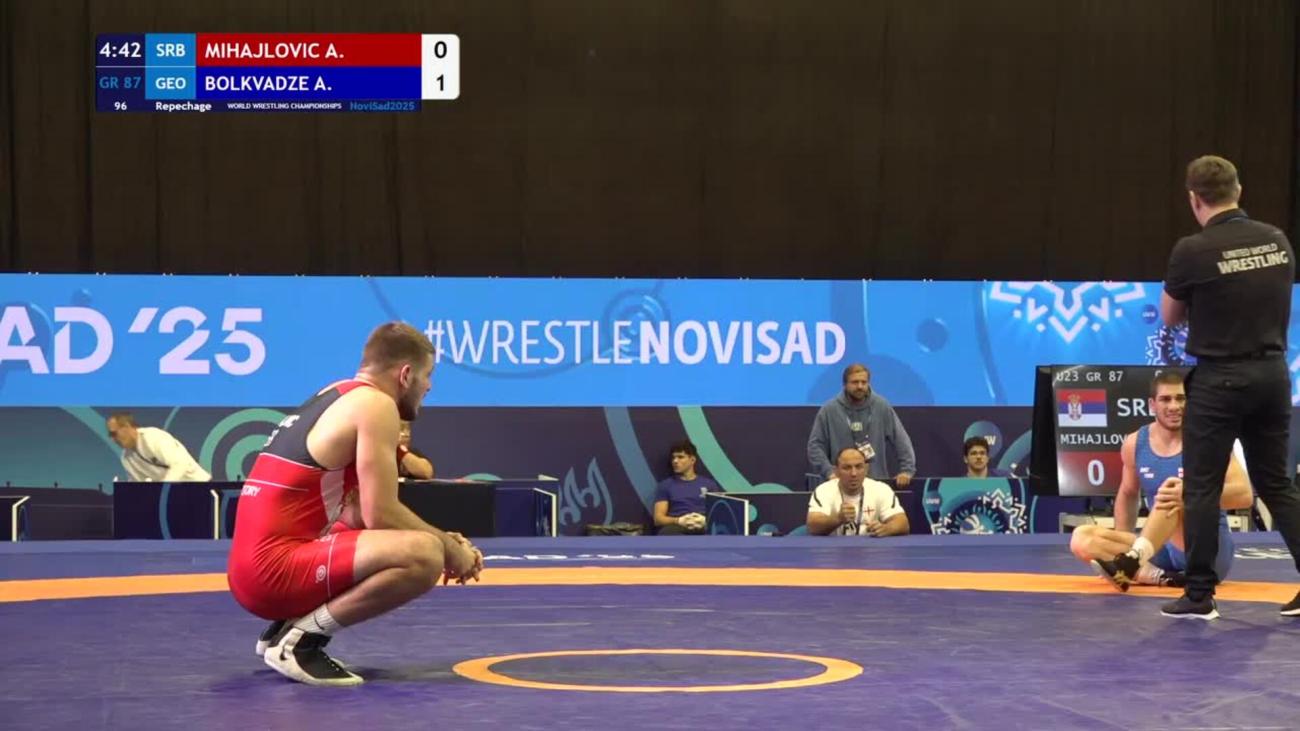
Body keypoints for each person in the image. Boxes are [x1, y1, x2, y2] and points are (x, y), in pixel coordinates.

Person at [226, 322, 483, 686]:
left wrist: (445, 539)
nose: (429, 387)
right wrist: (448, 549)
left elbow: (356, 512)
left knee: (417, 541)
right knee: (424, 555)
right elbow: (381, 514)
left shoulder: (336, 394)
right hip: (272, 572)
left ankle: (285, 629)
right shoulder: (377, 405)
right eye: (428, 375)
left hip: (252, 569)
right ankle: (301, 643)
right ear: (406, 375)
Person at [1160, 155, 1300, 619]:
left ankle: (1200, 595)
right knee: (1276, 484)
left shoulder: (1192, 249)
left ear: (1193, 199)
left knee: (1201, 486)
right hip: (1273, 374)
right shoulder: (1277, 239)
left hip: (1220, 378)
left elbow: (1169, 316)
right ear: (1238, 190)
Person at [1068, 371, 1251, 591]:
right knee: (1081, 538)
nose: (1174, 406)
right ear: (1152, 405)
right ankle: (1155, 575)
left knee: (1172, 492)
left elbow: (1244, 495)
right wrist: (1120, 542)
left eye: (1181, 398)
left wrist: (1190, 494)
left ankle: (1132, 564)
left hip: (1206, 550)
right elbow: (1128, 493)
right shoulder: (1135, 443)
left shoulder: (1208, 441)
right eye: (1166, 399)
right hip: (1159, 548)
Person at [807, 363, 916, 487]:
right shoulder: (829, 410)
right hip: (840, 485)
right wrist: (829, 472)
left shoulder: (881, 406)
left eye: (864, 382)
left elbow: (901, 440)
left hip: (875, 483)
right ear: (845, 384)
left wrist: (907, 470)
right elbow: (815, 446)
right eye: (855, 382)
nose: (860, 386)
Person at [806, 447, 909, 537]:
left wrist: (886, 528)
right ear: (836, 471)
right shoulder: (823, 490)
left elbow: (902, 523)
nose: (854, 473)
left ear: (866, 469)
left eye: (859, 467)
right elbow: (813, 525)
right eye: (847, 468)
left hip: (870, 549)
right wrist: (838, 519)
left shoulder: (881, 489)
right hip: (833, 550)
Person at [106, 413, 211, 482]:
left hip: (199, 486)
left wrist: (162, 490)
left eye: (114, 434)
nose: (112, 439)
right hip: (172, 495)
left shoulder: (153, 437)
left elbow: (180, 465)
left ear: (127, 426)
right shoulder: (126, 458)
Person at [652, 440, 719, 535]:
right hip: (677, 527)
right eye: (673, 458)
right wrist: (679, 520)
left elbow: (717, 514)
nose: (675, 461)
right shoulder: (665, 486)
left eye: (680, 457)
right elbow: (658, 519)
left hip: (703, 526)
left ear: (692, 460)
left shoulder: (709, 485)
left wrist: (706, 520)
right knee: (666, 533)